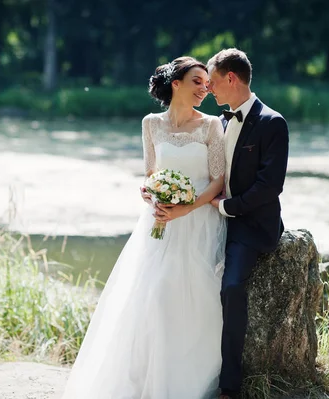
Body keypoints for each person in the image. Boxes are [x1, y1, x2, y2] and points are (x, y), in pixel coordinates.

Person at [61, 56, 227, 399]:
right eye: (197, 81)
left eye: (207, 84)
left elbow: (217, 182)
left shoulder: (212, 125)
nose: (204, 89)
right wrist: (150, 193)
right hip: (159, 223)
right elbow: (151, 172)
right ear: (176, 84)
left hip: (197, 222)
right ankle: (142, 378)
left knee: (188, 295)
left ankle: (184, 382)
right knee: (150, 295)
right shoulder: (151, 124)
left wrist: (185, 208)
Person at [206, 48, 289, 399]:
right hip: (215, 219)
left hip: (251, 226)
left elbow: (270, 187)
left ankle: (230, 385)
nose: (208, 90)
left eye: (211, 82)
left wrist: (227, 208)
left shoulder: (272, 122)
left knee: (232, 288)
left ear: (230, 78)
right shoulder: (220, 123)